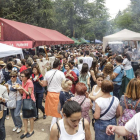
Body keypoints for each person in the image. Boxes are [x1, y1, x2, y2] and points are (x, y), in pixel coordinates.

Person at [43, 59, 65, 130]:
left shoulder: (47, 73)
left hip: (50, 94)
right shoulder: (61, 73)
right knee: (59, 112)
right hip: (59, 94)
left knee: (54, 113)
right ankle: (58, 128)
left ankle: (53, 128)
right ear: (59, 66)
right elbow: (64, 84)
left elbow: (44, 84)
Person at [19, 70, 36, 139]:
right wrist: (18, 89)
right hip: (25, 100)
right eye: (21, 76)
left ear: (26, 77)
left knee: (30, 117)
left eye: (22, 76)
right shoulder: (23, 82)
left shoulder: (30, 82)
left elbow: (29, 93)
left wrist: (22, 88)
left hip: (30, 101)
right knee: (24, 117)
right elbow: (22, 92)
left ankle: (31, 130)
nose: (21, 77)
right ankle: (25, 131)